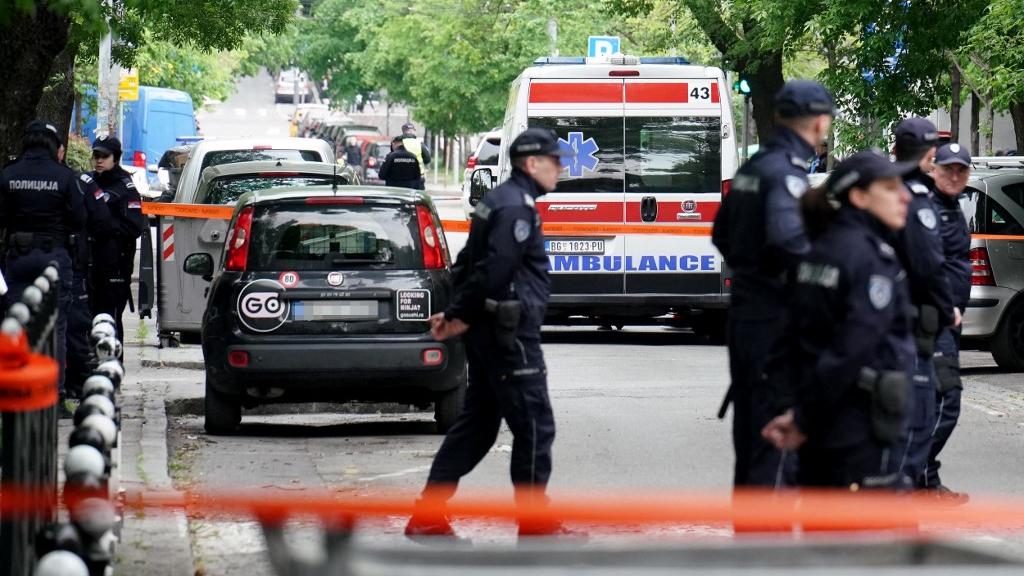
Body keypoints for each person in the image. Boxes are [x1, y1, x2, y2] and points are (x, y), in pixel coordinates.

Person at [405, 128, 575, 542]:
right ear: (531, 164)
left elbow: (466, 265)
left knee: (477, 426)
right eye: (555, 161)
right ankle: (535, 524)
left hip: (491, 330)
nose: (562, 168)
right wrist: (461, 313)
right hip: (509, 335)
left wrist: (460, 313)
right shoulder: (518, 207)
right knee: (535, 426)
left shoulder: (496, 202)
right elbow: (496, 269)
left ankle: (427, 515)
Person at [762, 150, 916, 489]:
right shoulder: (870, 259)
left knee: (823, 533)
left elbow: (786, 342)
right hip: (859, 428)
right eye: (890, 188)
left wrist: (792, 410)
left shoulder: (818, 252)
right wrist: (801, 418)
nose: (904, 196)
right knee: (864, 537)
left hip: (821, 428)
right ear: (859, 197)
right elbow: (852, 349)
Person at [711, 80, 835, 488]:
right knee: (776, 449)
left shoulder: (750, 169)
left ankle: (752, 543)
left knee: (750, 443)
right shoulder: (786, 177)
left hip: (747, 319)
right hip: (776, 328)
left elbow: (721, 235)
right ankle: (770, 547)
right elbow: (792, 246)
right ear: (818, 123)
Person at [0, 120, 85, 406]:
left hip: (18, 257)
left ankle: (18, 389)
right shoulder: (64, 177)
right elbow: (79, 219)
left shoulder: (9, 174)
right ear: (53, 144)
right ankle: (55, 394)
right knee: (56, 325)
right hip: (54, 258)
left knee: (17, 323)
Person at [890, 118, 955, 488]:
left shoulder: (883, 188)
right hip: (913, 321)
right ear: (930, 152)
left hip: (882, 320)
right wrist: (948, 312)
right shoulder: (917, 198)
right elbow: (930, 265)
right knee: (917, 416)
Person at [923, 143, 973, 503]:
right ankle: (914, 475)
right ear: (934, 170)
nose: (954, 175)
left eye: (961, 170)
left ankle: (924, 480)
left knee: (934, 401)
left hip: (949, 318)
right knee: (947, 400)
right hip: (933, 319)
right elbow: (927, 267)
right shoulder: (927, 210)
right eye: (948, 169)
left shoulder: (954, 208)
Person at [57, 138, 113, 398]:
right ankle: (76, 384)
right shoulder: (75, 181)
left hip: (21, 261)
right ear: (60, 151)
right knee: (74, 325)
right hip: (71, 263)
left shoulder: (12, 175)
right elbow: (101, 219)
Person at [89, 136, 146, 344]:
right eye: (96, 156)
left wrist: (105, 226)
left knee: (110, 318)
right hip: (89, 263)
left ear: (116, 158)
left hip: (115, 265)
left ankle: (112, 363)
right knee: (88, 318)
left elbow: (134, 227)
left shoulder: (126, 188)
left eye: (104, 156)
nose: (99, 161)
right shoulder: (87, 181)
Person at [400, 122, 431, 188]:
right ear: (413, 131)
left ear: (403, 132)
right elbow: (427, 159)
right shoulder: (420, 144)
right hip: (418, 176)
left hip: (401, 177)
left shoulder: (398, 143)